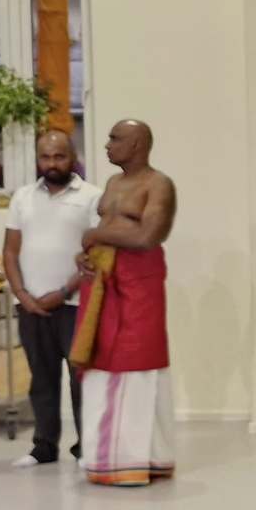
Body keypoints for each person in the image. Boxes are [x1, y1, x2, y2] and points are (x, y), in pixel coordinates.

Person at [70, 120, 176, 487]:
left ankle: (138, 460)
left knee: (137, 360)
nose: (107, 145)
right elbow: (112, 234)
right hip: (102, 279)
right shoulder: (113, 183)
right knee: (100, 359)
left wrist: (93, 234)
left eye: (115, 139)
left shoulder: (158, 184)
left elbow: (149, 235)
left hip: (138, 283)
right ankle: (102, 457)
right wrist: (86, 253)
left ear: (137, 144)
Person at [3, 130, 102, 467]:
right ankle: (43, 447)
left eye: (59, 156)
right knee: (41, 379)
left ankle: (86, 448)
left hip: (76, 305)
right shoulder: (22, 198)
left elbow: (96, 256)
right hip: (30, 307)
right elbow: (10, 251)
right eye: (45, 157)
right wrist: (23, 294)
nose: (52, 163)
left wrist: (62, 293)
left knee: (80, 379)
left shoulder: (92, 197)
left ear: (72, 157)